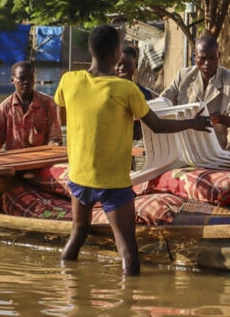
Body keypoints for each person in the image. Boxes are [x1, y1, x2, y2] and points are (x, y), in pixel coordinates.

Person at [54, 24, 211, 275]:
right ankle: (129, 302)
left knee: (78, 233)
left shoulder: (69, 81)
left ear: (91, 50)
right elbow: (157, 127)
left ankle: (68, 288)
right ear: (115, 53)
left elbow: (62, 118)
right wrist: (194, 122)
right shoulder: (126, 89)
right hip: (113, 184)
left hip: (79, 179)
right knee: (127, 248)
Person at [160, 35, 230, 152]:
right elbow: (163, 103)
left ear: (219, 56)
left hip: (217, 153)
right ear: (194, 57)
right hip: (184, 151)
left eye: (212, 58)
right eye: (203, 58)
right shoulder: (183, 77)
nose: (207, 63)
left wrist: (229, 152)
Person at [0, 61, 62, 153]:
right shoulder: (4, 109)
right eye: (21, 79)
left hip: (41, 160)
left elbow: (55, 138)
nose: (26, 82)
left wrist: (51, 150)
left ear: (34, 79)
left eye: (30, 78)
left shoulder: (48, 104)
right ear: (12, 80)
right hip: (14, 161)